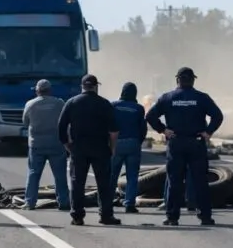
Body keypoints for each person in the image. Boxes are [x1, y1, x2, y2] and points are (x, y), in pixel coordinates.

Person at [145, 67, 223, 226]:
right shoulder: (201, 98)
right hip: (196, 143)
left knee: (175, 181)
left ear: (177, 80)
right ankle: (205, 217)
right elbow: (218, 115)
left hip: (176, 143)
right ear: (193, 80)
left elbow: (150, 116)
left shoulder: (168, 98)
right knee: (200, 181)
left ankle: (172, 217)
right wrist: (208, 132)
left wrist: (163, 130)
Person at [58, 74, 120, 226]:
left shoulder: (72, 103)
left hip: (78, 148)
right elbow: (114, 131)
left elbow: (61, 127)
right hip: (100, 148)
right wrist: (112, 149)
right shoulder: (104, 104)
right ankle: (106, 215)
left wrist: (68, 145)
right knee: (103, 184)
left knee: (77, 183)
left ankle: (77, 216)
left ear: (82, 86)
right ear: (95, 86)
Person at [22, 79, 70, 211]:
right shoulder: (59, 103)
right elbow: (65, 121)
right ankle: (64, 202)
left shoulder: (30, 104)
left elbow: (25, 122)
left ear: (37, 91)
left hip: (36, 144)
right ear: (50, 90)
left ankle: (29, 202)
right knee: (60, 175)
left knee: (33, 173)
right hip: (56, 143)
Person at [110, 81, 148, 214]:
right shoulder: (138, 108)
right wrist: (138, 141)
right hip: (133, 143)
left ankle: (107, 201)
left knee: (112, 174)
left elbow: (108, 124)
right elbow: (143, 128)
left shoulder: (113, 105)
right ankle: (129, 203)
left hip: (116, 143)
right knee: (132, 176)